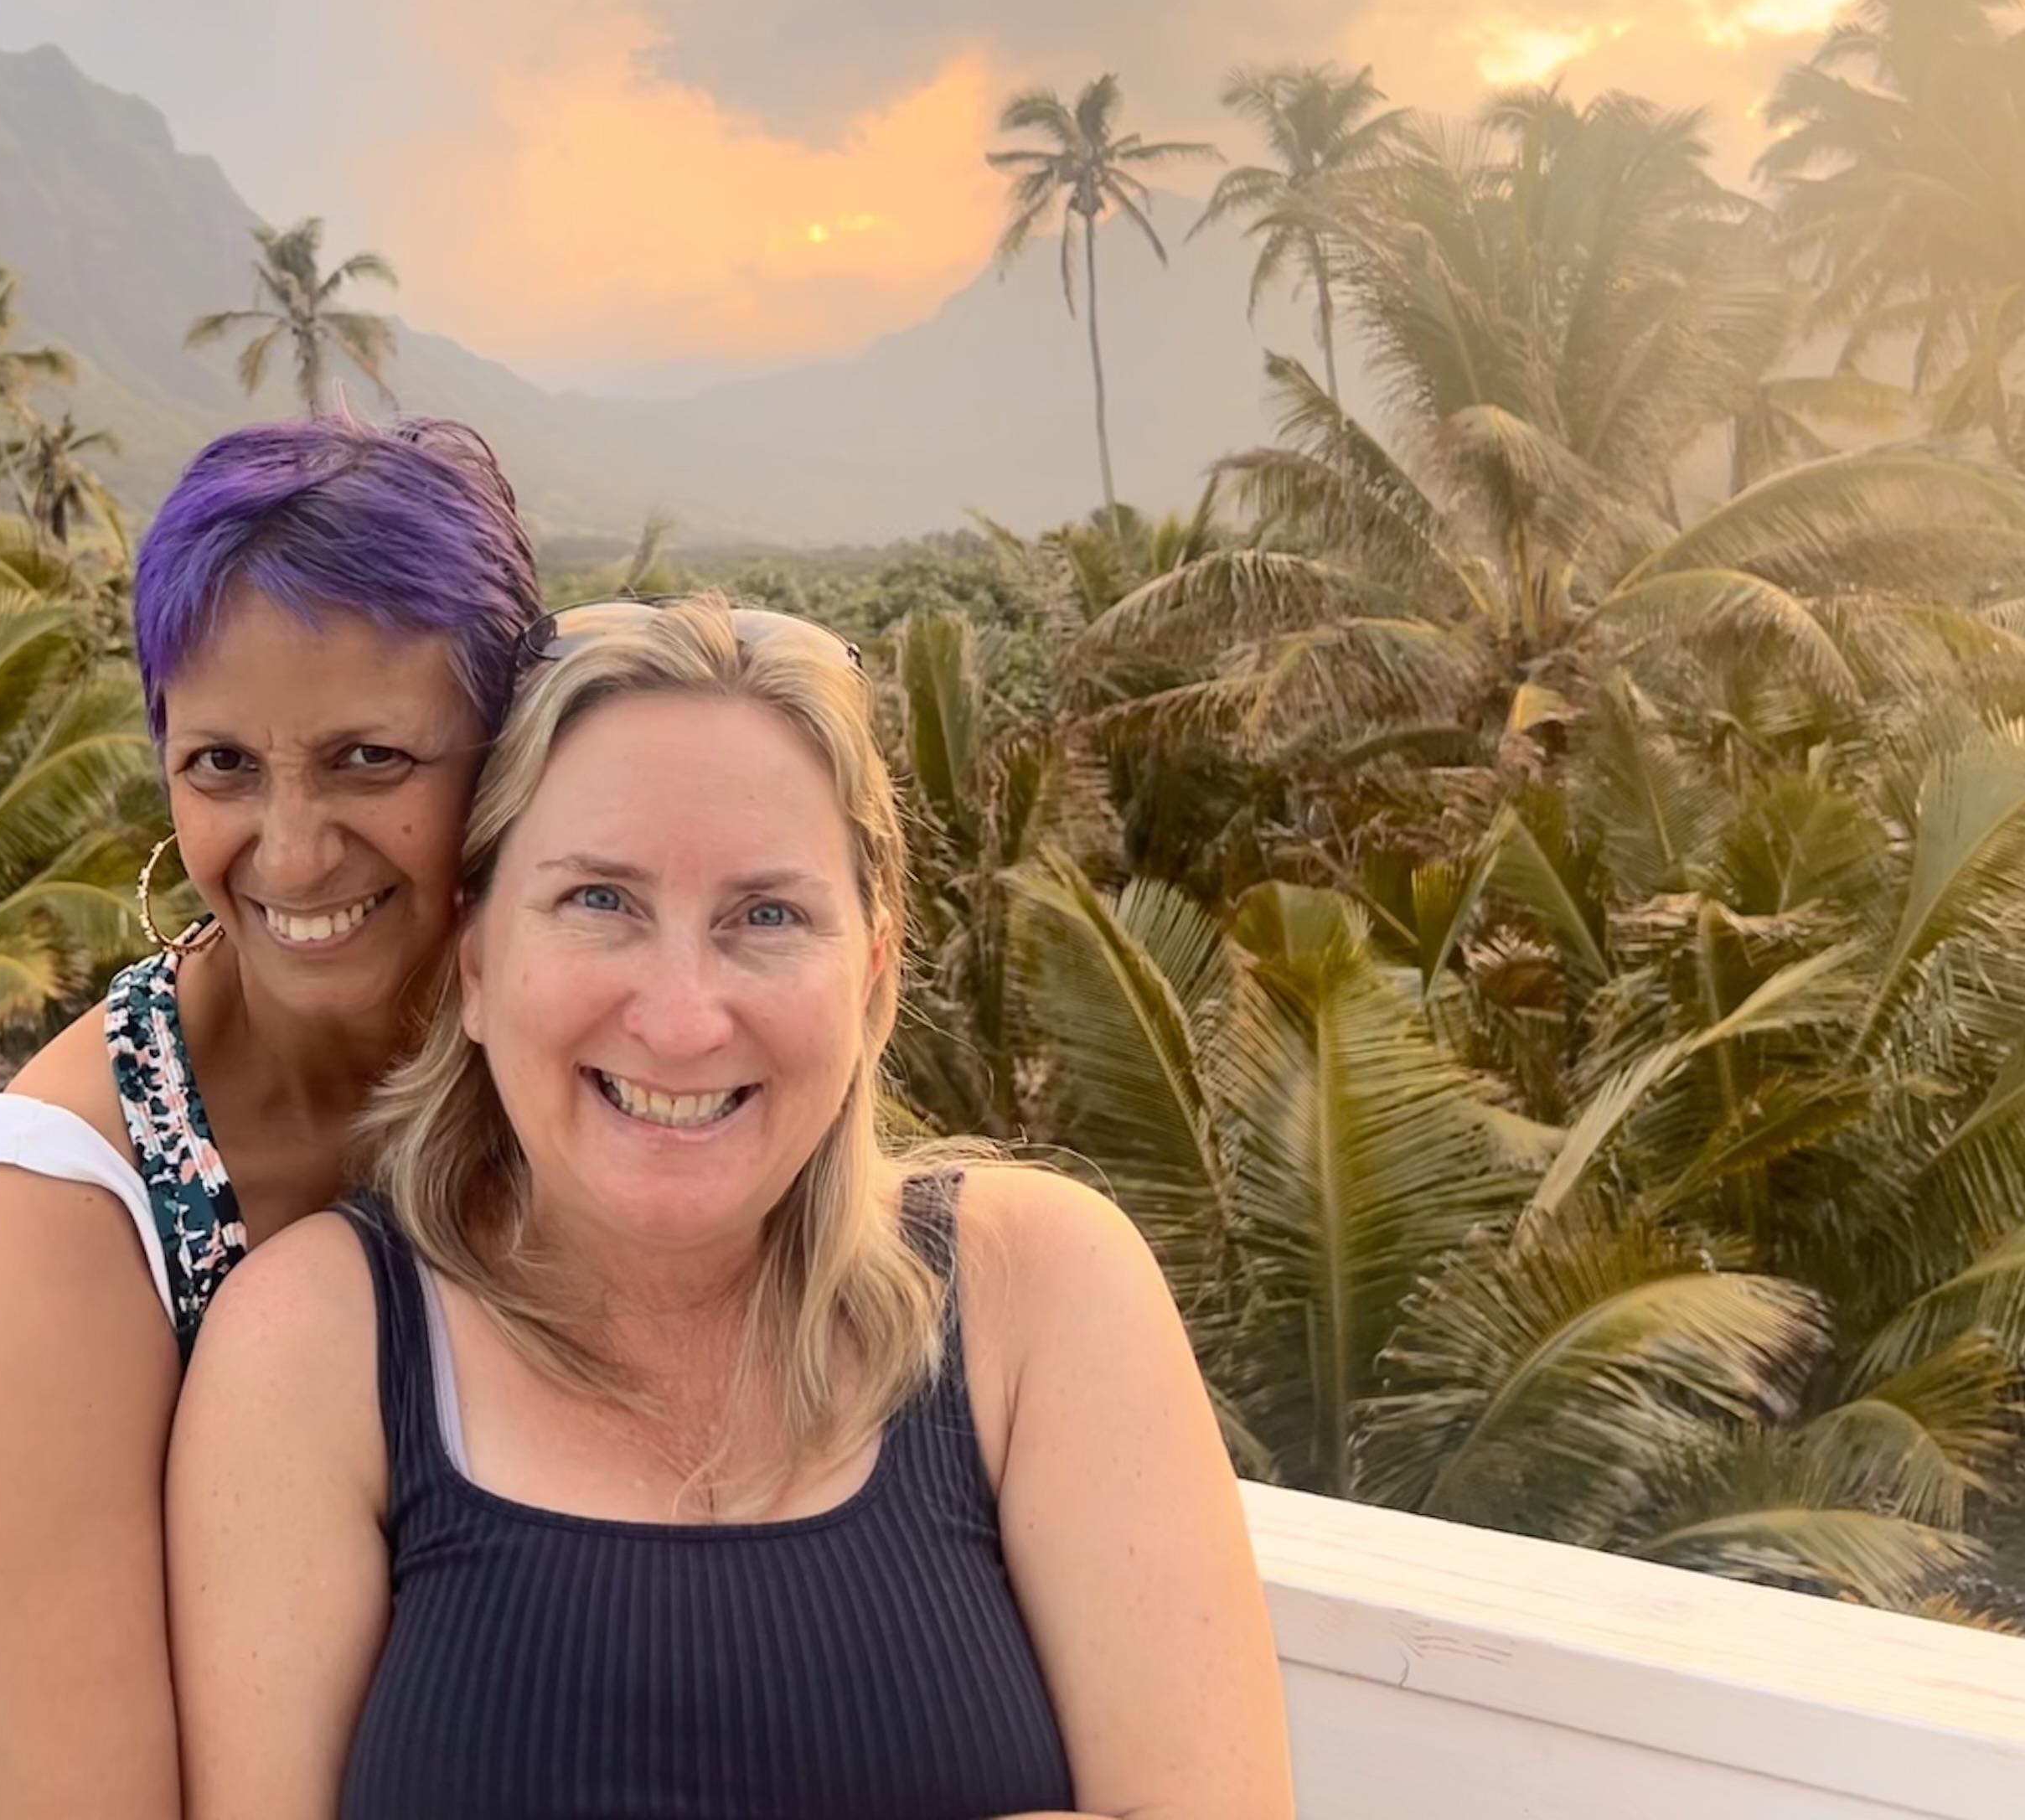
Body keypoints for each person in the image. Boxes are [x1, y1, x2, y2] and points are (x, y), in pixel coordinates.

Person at [167, 595, 1297, 1820]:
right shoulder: (317, 1347)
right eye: (601, 901)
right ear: (478, 963)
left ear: (871, 977)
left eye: (767, 916)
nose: (683, 1015)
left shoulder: (1041, 1293)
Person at [0, 418, 545, 1820]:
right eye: (223, 765)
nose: (291, 849)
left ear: (501, 755)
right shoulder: (74, 1173)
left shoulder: (563, 1071)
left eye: (370, 759)